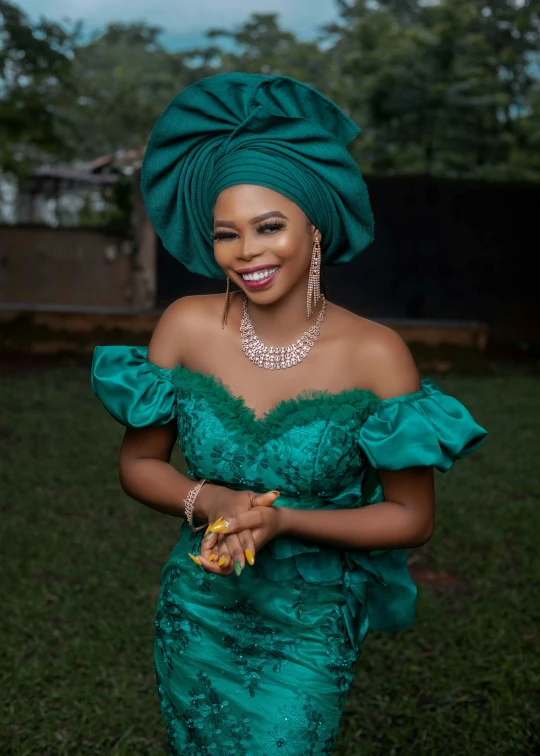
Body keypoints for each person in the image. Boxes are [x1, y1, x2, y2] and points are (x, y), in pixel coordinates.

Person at [91, 73, 488, 756]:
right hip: (200, 609)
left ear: (314, 228)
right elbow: (138, 464)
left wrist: (283, 520)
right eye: (227, 233)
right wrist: (213, 496)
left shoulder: (378, 354)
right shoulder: (186, 326)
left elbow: (410, 517)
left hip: (310, 620)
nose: (247, 251)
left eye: (269, 226)